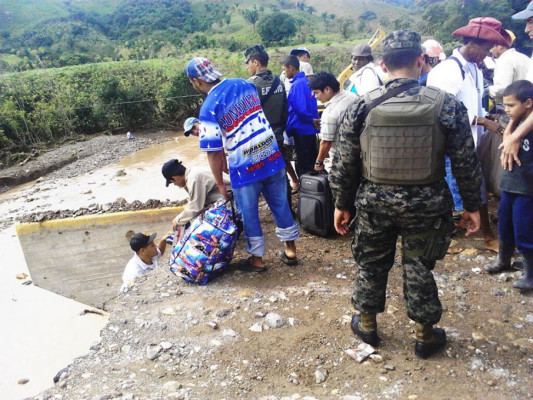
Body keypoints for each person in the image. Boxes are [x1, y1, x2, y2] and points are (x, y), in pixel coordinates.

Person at [330, 30, 482, 359]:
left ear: (382, 65)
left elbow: (343, 163)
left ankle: (367, 325)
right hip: (427, 205)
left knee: (371, 263)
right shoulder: (447, 106)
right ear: (420, 61)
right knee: (419, 266)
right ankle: (424, 336)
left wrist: (341, 204)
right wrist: (472, 206)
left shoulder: (360, 107)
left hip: (374, 204)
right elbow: (465, 163)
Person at [185, 57, 299, 272]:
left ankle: (257, 259)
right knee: (280, 203)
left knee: (249, 213)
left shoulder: (208, 108)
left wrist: (219, 183)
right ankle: (290, 249)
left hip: (245, 166)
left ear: (196, 81)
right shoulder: (244, 83)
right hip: (271, 154)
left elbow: (214, 152)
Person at [427, 17, 511, 252]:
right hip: (451, 148)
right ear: (472, 43)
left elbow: (471, 105)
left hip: (469, 145)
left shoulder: (473, 68)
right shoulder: (448, 70)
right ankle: (450, 240)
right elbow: (443, 113)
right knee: (454, 194)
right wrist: (483, 121)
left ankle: (484, 235)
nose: (487, 52)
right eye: (484, 47)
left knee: (474, 191)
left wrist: (488, 116)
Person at [484, 80, 533, 290]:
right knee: (505, 223)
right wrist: (512, 120)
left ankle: (530, 273)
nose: (506, 109)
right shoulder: (517, 122)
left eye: (511, 105)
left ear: (528, 103)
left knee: (525, 229)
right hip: (510, 185)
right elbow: (507, 133)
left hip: (527, 188)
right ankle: (504, 259)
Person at [243, 44, 299, 201]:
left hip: (259, 138)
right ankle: (287, 207)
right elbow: (285, 110)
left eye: (248, 63)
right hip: (277, 134)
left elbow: (246, 117)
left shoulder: (250, 84)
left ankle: (274, 208)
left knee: (262, 174)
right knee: (280, 171)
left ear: (255, 62)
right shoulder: (278, 81)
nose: (248, 67)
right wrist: (279, 129)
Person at [308, 71, 357, 172]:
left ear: (327, 89)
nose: (315, 96)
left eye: (316, 92)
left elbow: (326, 142)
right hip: (358, 154)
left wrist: (319, 162)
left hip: (340, 160)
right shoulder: (353, 97)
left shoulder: (331, 112)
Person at [162, 158, 230, 231]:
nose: (175, 185)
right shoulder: (193, 172)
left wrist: (178, 220)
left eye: (172, 182)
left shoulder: (194, 179)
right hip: (224, 197)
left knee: (193, 221)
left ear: (175, 178)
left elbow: (195, 208)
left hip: (231, 200)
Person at [282, 55, 319, 177]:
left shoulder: (297, 85)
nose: (284, 73)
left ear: (291, 68)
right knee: (311, 162)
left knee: (304, 165)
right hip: (310, 129)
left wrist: (309, 119)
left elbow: (300, 108)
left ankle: (306, 190)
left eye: (284, 69)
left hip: (302, 129)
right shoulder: (307, 82)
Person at [489, 30, 530, 103]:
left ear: (500, 46)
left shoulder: (505, 60)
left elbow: (503, 88)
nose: (490, 51)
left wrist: (487, 90)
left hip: (514, 107)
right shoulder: (525, 57)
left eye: (491, 47)